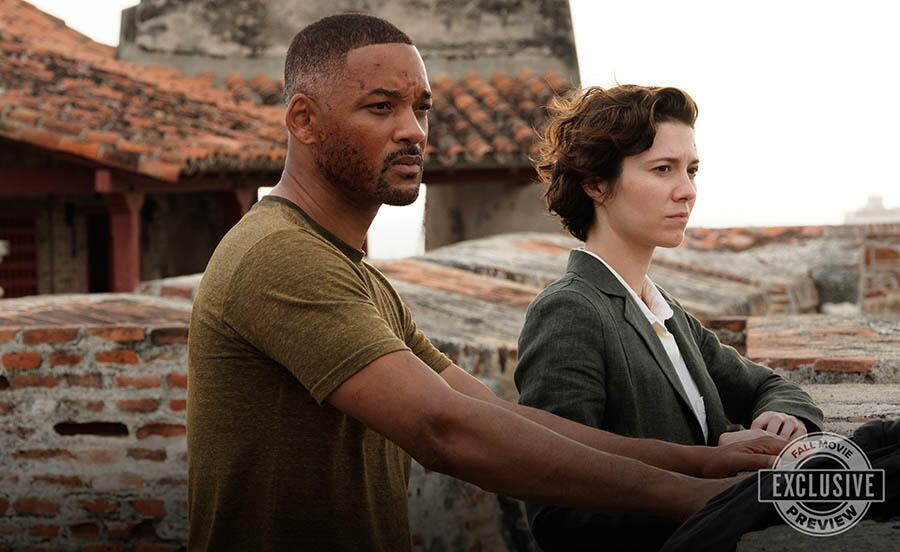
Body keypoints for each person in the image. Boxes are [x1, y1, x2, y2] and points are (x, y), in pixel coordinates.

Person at [187, 16, 787, 552]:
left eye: (421, 108)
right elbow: (443, 430)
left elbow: (492, 414)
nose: (413, 131)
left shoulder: (357, 273)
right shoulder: (280, 254)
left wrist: (699, 465)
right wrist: (695, 497)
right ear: (304, 120)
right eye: (381, 107)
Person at [514, 84, 825, 551]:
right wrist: (713, 480)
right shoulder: (569, 311)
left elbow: (769, 385)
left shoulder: (664, 310)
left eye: (691, 170)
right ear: (596, 183)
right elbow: (557, 508)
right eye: (663, 169)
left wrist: (782, 417)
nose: (687, 191)